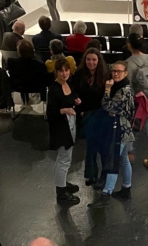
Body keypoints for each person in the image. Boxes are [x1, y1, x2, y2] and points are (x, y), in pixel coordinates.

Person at [89, 60, 135, 208]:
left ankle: (106, 193)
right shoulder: (122, 87)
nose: (115, 74)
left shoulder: (123, 91)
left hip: (120, 130)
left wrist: (107, 90)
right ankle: (126, 189)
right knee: (124, 159)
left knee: (112, 160)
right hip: (123, 128)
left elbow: (107, 105)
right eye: (114, 71)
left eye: (119, 71)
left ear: (125, 73)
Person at [47, 58, 81, 205]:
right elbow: (51, 112)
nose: (64, 73)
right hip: (61, 128)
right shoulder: (54, 89)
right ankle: (61, 192)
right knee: (64, 159)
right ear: (56, 71)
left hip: (70, 125)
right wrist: (64, 110)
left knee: (64, 158)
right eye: (61, 71)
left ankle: (62, 182)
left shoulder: (68, 84)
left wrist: (76, 101)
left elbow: (71, 98)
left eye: (66, 70)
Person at [73, 48, 109, 186]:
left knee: (102, 147)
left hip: (101, 114)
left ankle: (104, 174)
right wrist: (80, 110)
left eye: (94, 59)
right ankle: (91, 174)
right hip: (86, 114)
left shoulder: (105, 76)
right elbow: (75, 93)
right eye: (88, 59)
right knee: (91, 146)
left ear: (98, 61)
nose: (91, 62)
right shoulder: (80, 74)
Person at [125, 33, 148, 170]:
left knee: (131, 127)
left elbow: (129, 85)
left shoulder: (129, 63)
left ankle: (129, 154)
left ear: (129, 45)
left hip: (138, 101)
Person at [8, 40, 49, 105]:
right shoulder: (40, 64)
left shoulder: (11, 62)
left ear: (19, 51)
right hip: (35, 89)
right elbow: (43, 80)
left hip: (17, 88)